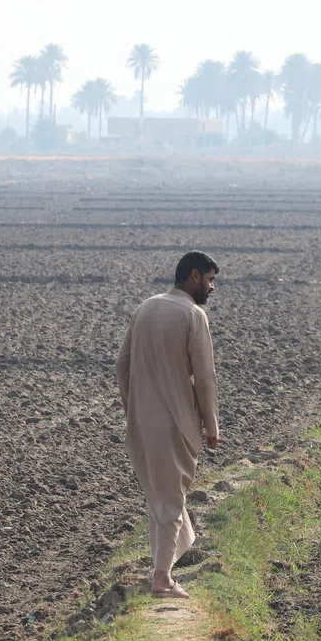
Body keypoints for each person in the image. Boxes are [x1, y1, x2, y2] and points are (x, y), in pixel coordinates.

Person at [116, 251, 220, 598]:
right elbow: (205, 376)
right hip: (176, 420)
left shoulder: (146, 307)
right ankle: (162, 579)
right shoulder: (193, 314)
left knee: (161, 496)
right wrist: (211, 424)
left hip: (142, 421)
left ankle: (165, 566)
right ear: (193, 277)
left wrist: (133, 406)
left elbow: (122, 364)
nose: (212, 287)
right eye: (209, 280)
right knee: (171, 500)